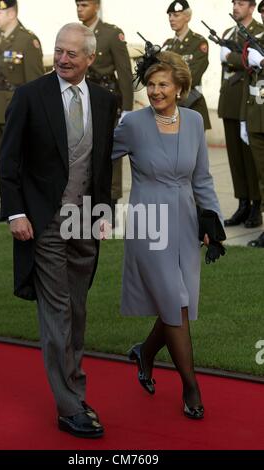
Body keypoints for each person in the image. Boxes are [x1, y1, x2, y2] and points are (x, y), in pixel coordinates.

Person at [0, 23, 117, 438]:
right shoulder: (30, 96)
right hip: (43, 221)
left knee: (78, 309)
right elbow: (9, 159)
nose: (63, 59)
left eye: (72, 54)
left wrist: (104, 212)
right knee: (58, 310)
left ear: (90, 58)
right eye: (58, 51)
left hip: (84, 218)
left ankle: (74, 391)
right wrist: (15, 213)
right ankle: (69, 406)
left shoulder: (104, 101)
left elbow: (102, 164)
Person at [112, 50, 225, 419]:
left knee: (180, 300)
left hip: (186, 220)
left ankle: (144, 353)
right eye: (151, 84)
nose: (155, 91)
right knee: (175, 301)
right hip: (149, 222)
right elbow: (96, 155)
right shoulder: (133, 124)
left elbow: (202, 178)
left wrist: (213, 221)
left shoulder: (193, 121)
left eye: (163, 84)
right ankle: (191, 387)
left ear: (179, 87)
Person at [0, 0, 44, 223]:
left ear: (11, 13)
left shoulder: (28, 40)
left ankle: (25, 207)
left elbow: (36, 83)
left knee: (23, 163)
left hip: (16, 112)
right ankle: (7, 207)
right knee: (3, 164)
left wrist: (35, 117)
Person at [75, 0, 133, 226]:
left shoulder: (110, 34)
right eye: (78, 5)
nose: (80, 9)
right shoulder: (76, 33)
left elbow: (125, 72)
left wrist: (127, 108)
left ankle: (110, 201)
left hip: (107, 99)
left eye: (84, 5)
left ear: (96, 6)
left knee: (110, 151)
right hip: (82, 98)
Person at [218, 0, 263, 228]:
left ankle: (256, 206)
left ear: (252, 7)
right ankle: (242, 203)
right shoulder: (228, 32)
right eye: (234, 3)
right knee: (236, 159)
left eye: (241, 3)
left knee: (251, 159)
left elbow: (248, 62)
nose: (235, 7)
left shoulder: (259, 31)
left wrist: (229, 58)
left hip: (251, 102)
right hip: (230, 101)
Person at [163, 0, 211, 131]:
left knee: (192, 150)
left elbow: (192, 77)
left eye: (176, 15)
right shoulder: (167, 45)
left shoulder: (198, 43)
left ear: (187, 17)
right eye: (170, 15)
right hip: (170, 107)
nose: (171, 19)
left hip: (192, 105)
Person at [241, 35, 264, 246]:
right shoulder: (257, 41)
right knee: (262, 177)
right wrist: (243, 118)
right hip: (256, 118)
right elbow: (248, 84)